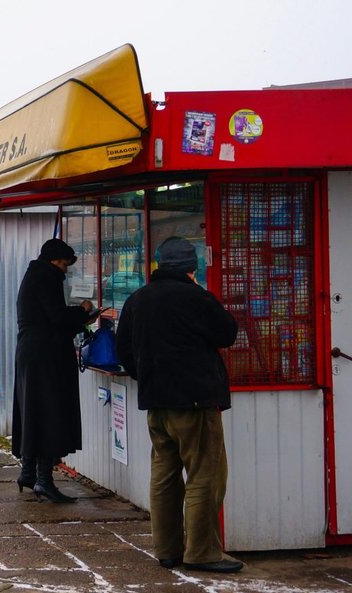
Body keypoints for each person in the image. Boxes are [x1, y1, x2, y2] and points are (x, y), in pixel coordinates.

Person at [116, 236, 242, 574]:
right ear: (192, 267)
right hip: (196, 402)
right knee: (205, 475)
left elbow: (123, 349)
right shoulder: (197, 298)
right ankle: (202, 552)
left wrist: (147, 378)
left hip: (157, 403)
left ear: (159, 265)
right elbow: (228, 333)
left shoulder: (138, 299)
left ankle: (167, 550)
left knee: (164, 475)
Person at [12, 238, 96, 503]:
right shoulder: (46, 278)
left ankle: (28, 473)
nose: (65, 270)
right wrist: (83, 312)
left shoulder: (34, 275)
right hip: (45, 357)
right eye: (63, 263)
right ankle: (43, 481)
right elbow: (57, 318)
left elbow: (48, 318)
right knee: (48, 413)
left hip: (31, 353)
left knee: (33, 411)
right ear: (53, 260)